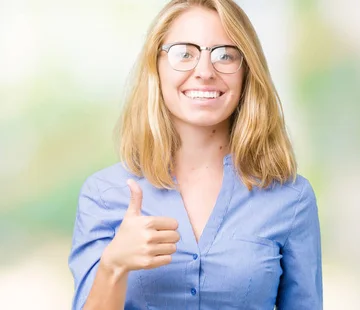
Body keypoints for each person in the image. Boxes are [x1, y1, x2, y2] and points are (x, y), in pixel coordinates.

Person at [67, 0, 323, 309]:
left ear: (246, 72)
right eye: (184, 54)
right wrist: (113, 266)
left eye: (225, 55)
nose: (204, 71)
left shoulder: (291, 199)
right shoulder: (104, 195)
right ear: (156, 67)